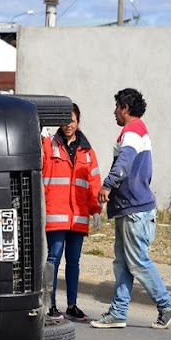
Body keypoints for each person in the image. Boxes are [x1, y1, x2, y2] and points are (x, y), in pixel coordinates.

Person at [90, 88, 171, 330]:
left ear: (125, 108)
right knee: (123, 263)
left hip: (134, 209)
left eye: (117, 107)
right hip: (129, 209)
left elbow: (125, 161)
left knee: (138, 261)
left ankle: (167, 304)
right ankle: (119, 312)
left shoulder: (132, 130)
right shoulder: (137, 130)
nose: (114, 112)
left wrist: (108, 184)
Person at [42, 103, 102, 321]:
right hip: (56, 215)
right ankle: (49, 304)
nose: (68, 125)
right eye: (65, 120)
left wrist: (96, 209)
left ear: (78, 122)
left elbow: (94, 182)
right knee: (53, 259)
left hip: (78, 216)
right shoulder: (49, 145)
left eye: (73, 121)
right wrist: (40, 138)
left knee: (74, 262)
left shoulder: (87, 151)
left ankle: (72, 305)